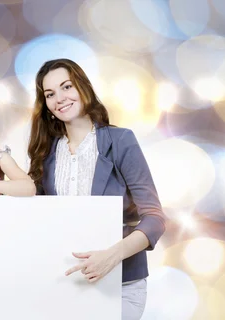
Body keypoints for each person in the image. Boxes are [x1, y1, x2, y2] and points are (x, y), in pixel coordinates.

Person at [27, 58, 166, 320]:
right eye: (50, 94)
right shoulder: (45, 154)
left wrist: (111, 257)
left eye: (66, 87)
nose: (60, 98)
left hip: (121, 284)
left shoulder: (121, 140)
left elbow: (155, 220)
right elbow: (36, 218)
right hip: (64, 284)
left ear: (83, 88)